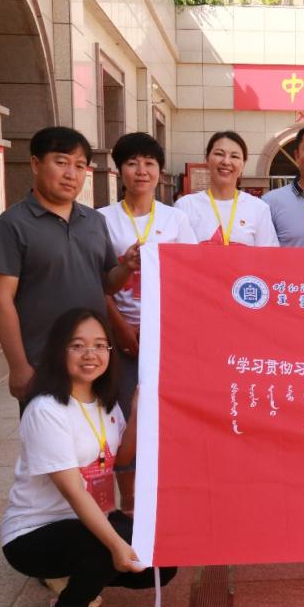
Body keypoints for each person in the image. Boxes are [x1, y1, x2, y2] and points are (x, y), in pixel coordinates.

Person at [1, 308, 176, 607]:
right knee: (109, 544)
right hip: (33, 532)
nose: (90, 354)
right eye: (77, 345)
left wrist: (138, 413)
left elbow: (119, 459)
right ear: (59, 350)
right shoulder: (46, 410)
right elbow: (73, 490)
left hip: (84, 521)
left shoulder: (104, 404)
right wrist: (116, 545)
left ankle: (73, 575)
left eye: (99, 345)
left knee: (161, 562)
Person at [0, 126, 141, 406]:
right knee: (48, 431)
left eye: (80, 166)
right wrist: (18, 366)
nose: (71, 174)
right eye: (61, 162)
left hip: (96, 359)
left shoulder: (94, 221)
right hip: (43, 361)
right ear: (35, 164)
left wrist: (127, 267)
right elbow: (0, 300)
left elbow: (107, 283)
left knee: (99, 430)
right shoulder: (10, 225)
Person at [97, 132, 197, 416]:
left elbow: (190, 276)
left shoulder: (176, 218)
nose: (141, 171)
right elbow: (96, 280)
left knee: (164, 410)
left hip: (167, 332)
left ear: (160, 171)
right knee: (123, 408)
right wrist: (122, 328)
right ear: (119, 170)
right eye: (132, 163)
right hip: (118, 332)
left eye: (149, 163)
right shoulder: (101, 219)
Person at [174, 131, 279, 246]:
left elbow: (268, 254)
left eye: (234, 156)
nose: (226, 161)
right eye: (219, 154)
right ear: (207, 159)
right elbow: (177, 254)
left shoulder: (259, 208)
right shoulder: (185, 206)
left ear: (243, 164)